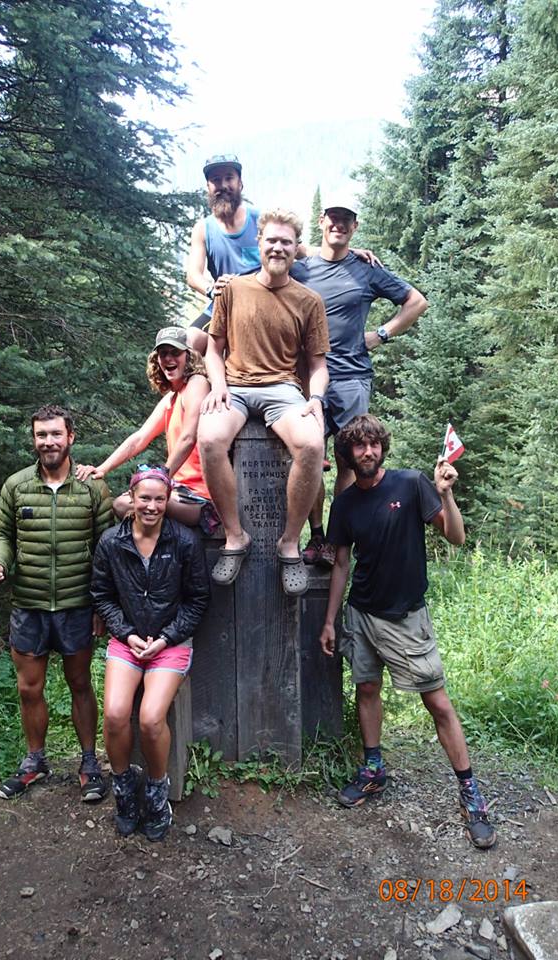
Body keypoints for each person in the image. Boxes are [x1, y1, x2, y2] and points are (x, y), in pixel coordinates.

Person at [319, 414, 496, 849]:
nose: (368, 452)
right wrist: (330, 620)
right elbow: (341, 564)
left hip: (406, 618)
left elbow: (455, 537)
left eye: (374, 444)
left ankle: (470, 792)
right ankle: (373, 769)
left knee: (437, 702)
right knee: (366, 688)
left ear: (383, 447)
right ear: (348, 453)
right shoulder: (344, 504)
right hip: (361, 613)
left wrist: (446, 493)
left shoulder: (412, 483)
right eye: (359, 446)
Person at [0, 404, 113, 802]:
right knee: (29, 688)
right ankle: (34, 761)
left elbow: (107, 549)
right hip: (29, 603)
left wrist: (101, 608)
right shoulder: (16, 485)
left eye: (56, 434)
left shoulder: (92, 488)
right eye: (41, 435)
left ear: (70, 437)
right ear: (33, 439)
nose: (48, 442)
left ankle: (89, 762)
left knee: (80, 684)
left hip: (77, 604)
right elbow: (3, 535)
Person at [198, 208, 329, 597]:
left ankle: (289, 543)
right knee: (210, 438)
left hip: (282, 389)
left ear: (295, 248)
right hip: (235, 386)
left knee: (311, 444)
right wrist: (217, 384)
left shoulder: (308, 301)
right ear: (259, 243)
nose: (278, 248)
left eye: (286, 242)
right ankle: (234, 536)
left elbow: (318, 365)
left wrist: (316, 398)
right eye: (271, 240)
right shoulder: (233, 290)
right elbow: (213, 349)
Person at [298, 201, 429, 568]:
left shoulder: (367, 270)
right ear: (321, 221)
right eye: (333, 218)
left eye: (346, 220)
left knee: (348, 461)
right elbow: (273, 256)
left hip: (352, 378)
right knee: (309, 456)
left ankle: (335, 542)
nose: (338, 225)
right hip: (307, 379)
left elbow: (416, 302)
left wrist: (382, 334)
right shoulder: (301, 267)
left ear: (354, 226)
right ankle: (316, 535)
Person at [90, 466, 210, 841]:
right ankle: (124, 789)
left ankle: (158, 792)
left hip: (169, 643)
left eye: (160, 499)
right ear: (132, 498)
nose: (152, 506)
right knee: (114, 714)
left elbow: (198, 599)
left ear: (168, 499)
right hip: (127, 640)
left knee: (150, 718)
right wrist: (126, 634)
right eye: (145, 498)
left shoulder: (184, 541)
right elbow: (102, 595)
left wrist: (167, 636)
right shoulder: (112, 542)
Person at [185, 155, 379, 354]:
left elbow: (301, 251)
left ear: (240, 183)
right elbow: (193, 276)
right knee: (189, 341)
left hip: (266, 300)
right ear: (208, 187)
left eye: (229, 178)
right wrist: (212, 290)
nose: (223, 185)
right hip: (226, 302)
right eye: (216, 180)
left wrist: (345, 251)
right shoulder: (204, 229)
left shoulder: (260, 220)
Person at [76, 327, 217, 531]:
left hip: (200, 497)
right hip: (176, 490)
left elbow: (188, 437)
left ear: (188, 356)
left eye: (175, 352)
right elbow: (140, 438)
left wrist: (161, 479)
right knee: (122, 505)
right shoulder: (172, 398)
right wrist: (103, 468)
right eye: (163, 353)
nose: (169, 358)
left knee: (131, 504)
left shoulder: (197, 383)